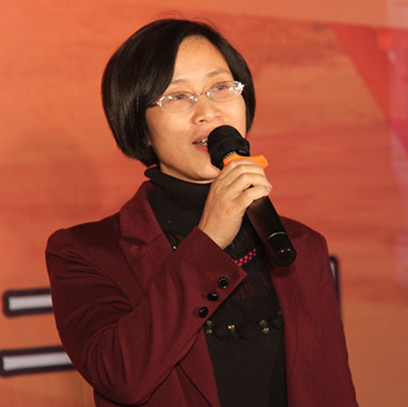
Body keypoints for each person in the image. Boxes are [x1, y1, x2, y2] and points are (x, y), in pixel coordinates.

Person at [46, 18, 358, 407]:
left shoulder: (301, 246)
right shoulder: (86, 253)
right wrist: (209, 241)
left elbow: (331, 392)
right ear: (139, 126)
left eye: (221, 88)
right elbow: (121, 376)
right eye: (178, 96)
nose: (208, 112)